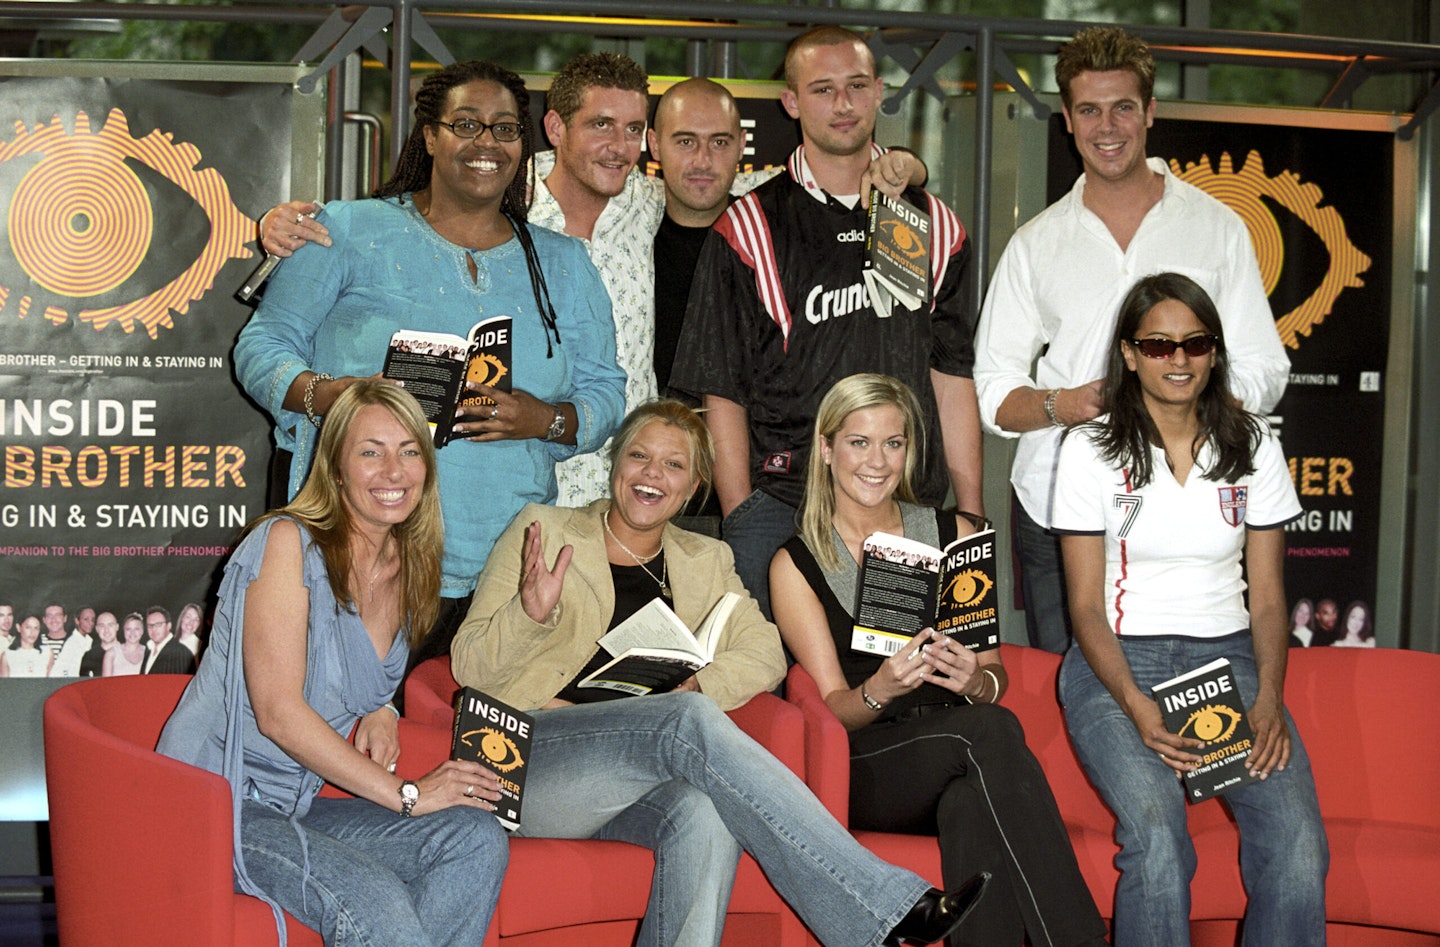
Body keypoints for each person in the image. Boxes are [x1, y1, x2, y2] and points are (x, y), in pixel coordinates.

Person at [451, 399, 989, 947]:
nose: (652, 474)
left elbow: (765, 652)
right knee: (685, 719)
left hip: (628, 777)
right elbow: (468, 667)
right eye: (639, 456)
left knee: (704, 811)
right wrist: (529, 616)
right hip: (524, 760)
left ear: (693, 487)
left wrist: (696, 683)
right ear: (615, 464)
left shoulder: (704, 560)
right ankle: (883, 907)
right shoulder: (543, 529)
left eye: (674, 465)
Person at [235, 59, 627, 662]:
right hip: (362, 549)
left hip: (503, 565)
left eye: (505, 129)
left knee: (473, 723)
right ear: (430, 135)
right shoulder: (347, 230)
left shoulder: (563, 263)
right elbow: (261, 347)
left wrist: (543, 420)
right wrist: (335, 397)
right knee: (353, 714)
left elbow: (606, 394)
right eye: (466, 124)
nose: (486, 143)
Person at [972, 26, 1290, 654]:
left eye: (1122, 107)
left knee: (1191, 693)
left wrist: (1185, 405)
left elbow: (1263, 368)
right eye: (1089, 110)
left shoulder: (1217, 227)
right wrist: (1074, 404)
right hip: (1058, 508)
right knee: (1069, 689)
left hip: (1192, 514)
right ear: (1068, 120)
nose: (1107, 127)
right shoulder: (1035, 244)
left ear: (1149, 111)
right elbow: (993, 393)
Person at [157, 381, 507, 946]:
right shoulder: (285, 543)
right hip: (213, 803)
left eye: (409, 451)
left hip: (293, 804)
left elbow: (355, 668)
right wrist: (409, 796)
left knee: (473, 836)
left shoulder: (408, 563)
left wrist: (384, 708)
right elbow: (278, 713)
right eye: (371, 451)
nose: (393, 471)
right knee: (374, 897)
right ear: (336, 469)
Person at [770, 373, 1107, 947]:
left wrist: (974, 680)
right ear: (826, 449)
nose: (877, 461)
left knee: (969, 803)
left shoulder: (955, 533)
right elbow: (830, 709)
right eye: (858, 442)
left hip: (963, 748)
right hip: (870, 759)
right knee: (988, 733)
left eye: (893, 443)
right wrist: (881, 688)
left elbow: (994, 681)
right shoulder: (797, 562)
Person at [1052, 273, 1326, 946]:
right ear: (1129, 354)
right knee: (1157, 833)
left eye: (1195, 343)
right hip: (1117, 663)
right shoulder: (1088, 448)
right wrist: (1135, 703)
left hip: (1227, 661)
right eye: (1158, 345)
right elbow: (1084, 607)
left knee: (1297, 841)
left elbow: (1268, 597)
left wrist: (1268, 695)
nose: (1178, 359)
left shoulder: (1254, 443)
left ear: (1214, 352)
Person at [672, 26, 982, 619]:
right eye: (822, 89)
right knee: (777, 672)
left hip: (907, 506)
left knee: (901, 668)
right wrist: (743, 517)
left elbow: (952, 374)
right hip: (784, 506)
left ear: (879, 92)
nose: (842, 104)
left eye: (856, 86)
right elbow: (723, 391)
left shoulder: (936, 225)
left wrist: (970, 513)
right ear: (791, 101)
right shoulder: (747, 227)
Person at [141, 606, 197, 675]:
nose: (154, 629)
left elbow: (185, 680)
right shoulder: (148, 650)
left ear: (169, 626)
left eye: (158, 624)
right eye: (150, 625)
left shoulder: (181, 653)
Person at [104, 612, 147, 676]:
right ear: (123, 630)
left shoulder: (149, 653)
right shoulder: (111, 654)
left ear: (142, 631)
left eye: (136, 629)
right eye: (128, 629)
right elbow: (105, 681)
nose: (132, 633)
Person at [79, 611, 119, 678]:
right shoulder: (89, 657)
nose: (106, 630)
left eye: (110, 625)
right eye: (102, 626)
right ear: (97, 629)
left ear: (117, 627)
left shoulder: (128, 652)